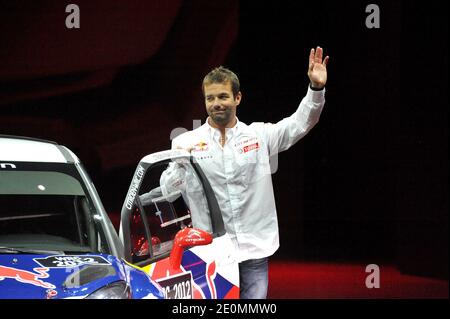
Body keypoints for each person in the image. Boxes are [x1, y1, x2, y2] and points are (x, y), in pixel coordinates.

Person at [165, 47, 328, 299]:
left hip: (253, 251)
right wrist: (180, 163)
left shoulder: (259, 136)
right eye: (210, 98)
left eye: (223, 96)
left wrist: (315, 89)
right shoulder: (185, 142)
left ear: (238, 98)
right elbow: (168, 191)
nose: (216, 103)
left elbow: (300, 123)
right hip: (211, 253)